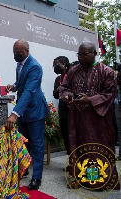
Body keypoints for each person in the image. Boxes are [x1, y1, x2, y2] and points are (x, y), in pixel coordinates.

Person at [59, 42, 120, 190]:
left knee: (97, 151)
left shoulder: (106, 71)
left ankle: (100, 181)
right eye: (79, 54)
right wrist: (67, 96)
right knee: (80, 150)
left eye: (84, 54)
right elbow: (63, 88)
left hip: (99, 122)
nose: (80, 57)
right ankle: (82, 179)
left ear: (95, 53)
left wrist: (90, 100)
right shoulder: (73, 71)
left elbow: (109, 94)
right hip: (77, 120)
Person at [4, 39, 49, 190]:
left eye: (18, 53)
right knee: (24, 143)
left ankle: (37, 178)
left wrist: (14, 114)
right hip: (24, 111)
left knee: (36, 145)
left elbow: (29, 91)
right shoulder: (20, 63)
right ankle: (24, 169)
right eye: (14, 53)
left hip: (35, 111)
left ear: (27, 51)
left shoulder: (35, 67)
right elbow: (21, 83)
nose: (15, 56)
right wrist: (14, 86)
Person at [52, 56, 71, 156]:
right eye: (54, 65)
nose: (55, 67)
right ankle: (70, 160)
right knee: (65, 135)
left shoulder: (71, 77)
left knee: (73, 136)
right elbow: (55, 95)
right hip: (63, 111)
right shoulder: (57, 79)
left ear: (64, 64)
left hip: (72, 110)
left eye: (57, 64)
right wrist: (59, 89)